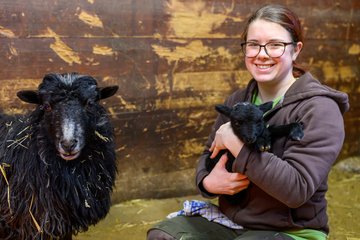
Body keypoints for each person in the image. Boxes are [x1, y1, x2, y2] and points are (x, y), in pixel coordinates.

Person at [147, 4, 349, 240]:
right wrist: (208, 182)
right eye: (253, 44)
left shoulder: (319, 109)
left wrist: (237, 145)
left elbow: (297, 190)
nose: (262, 54)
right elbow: (207, 156)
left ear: (295, 50)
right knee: (161, 235)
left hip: (289, 230)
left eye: (275, 45)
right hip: (232, 221)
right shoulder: (238, 101)